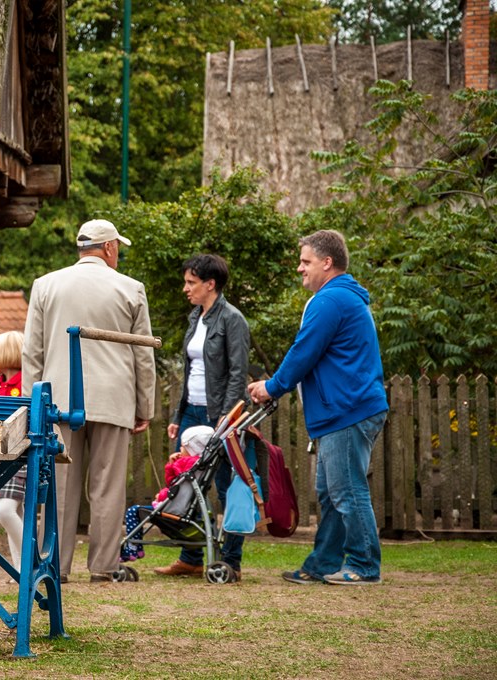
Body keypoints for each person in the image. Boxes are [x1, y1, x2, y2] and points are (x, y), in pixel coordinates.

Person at [248, 229, 388, 586]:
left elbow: (304, 351)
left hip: (347, 410)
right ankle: (323, 563)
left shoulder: (331, 300)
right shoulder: (340, 298)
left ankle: (364, 565)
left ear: (327, 262)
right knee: (332, 492)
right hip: (344, 410)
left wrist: (271, 387)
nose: (300, 268)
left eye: (305, 261)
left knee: (347, 490)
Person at [22, 218, 156, 583]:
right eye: (118, 249)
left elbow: (32, 352)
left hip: (59, 400)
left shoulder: (46, 285)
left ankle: (55, 565)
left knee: (60, 486)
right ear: (109, 247)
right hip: (114, 398)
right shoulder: (131, 288)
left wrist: (32, 405)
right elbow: (143, 355)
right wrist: (145, 407)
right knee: (107, 487)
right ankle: (104, 566)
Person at [155, 254, 252, 579]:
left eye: (191, 282)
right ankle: (192, 557)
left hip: (219, 416)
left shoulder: (232, 319)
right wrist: (178, 414)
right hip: (191, 412)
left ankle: (231, 561)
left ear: (210, 284)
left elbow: (238, 372)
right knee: (185, 484)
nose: (186, 288)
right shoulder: (195, 317)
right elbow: (190, 372)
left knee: (225, 486)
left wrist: (226, 416)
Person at [121, 425, 214, 562]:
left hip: (173, 508)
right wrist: (172, 464)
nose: (180, 449)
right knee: (137, 512)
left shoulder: (187, 463)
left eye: (183, 446)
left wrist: (161, 496)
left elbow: (173, 487)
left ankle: (133, 548)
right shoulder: (201, 466)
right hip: (185, 507)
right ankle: (136, 548)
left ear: (192, 448)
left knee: (132, 512)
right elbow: (176, 483)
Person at [0, 331, 26, 573]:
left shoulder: (26, 383)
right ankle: (20, 570)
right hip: (0, 456)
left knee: (6, 510)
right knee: (14, 511)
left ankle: (31, 561)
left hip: (21, 457)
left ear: (6, 354)